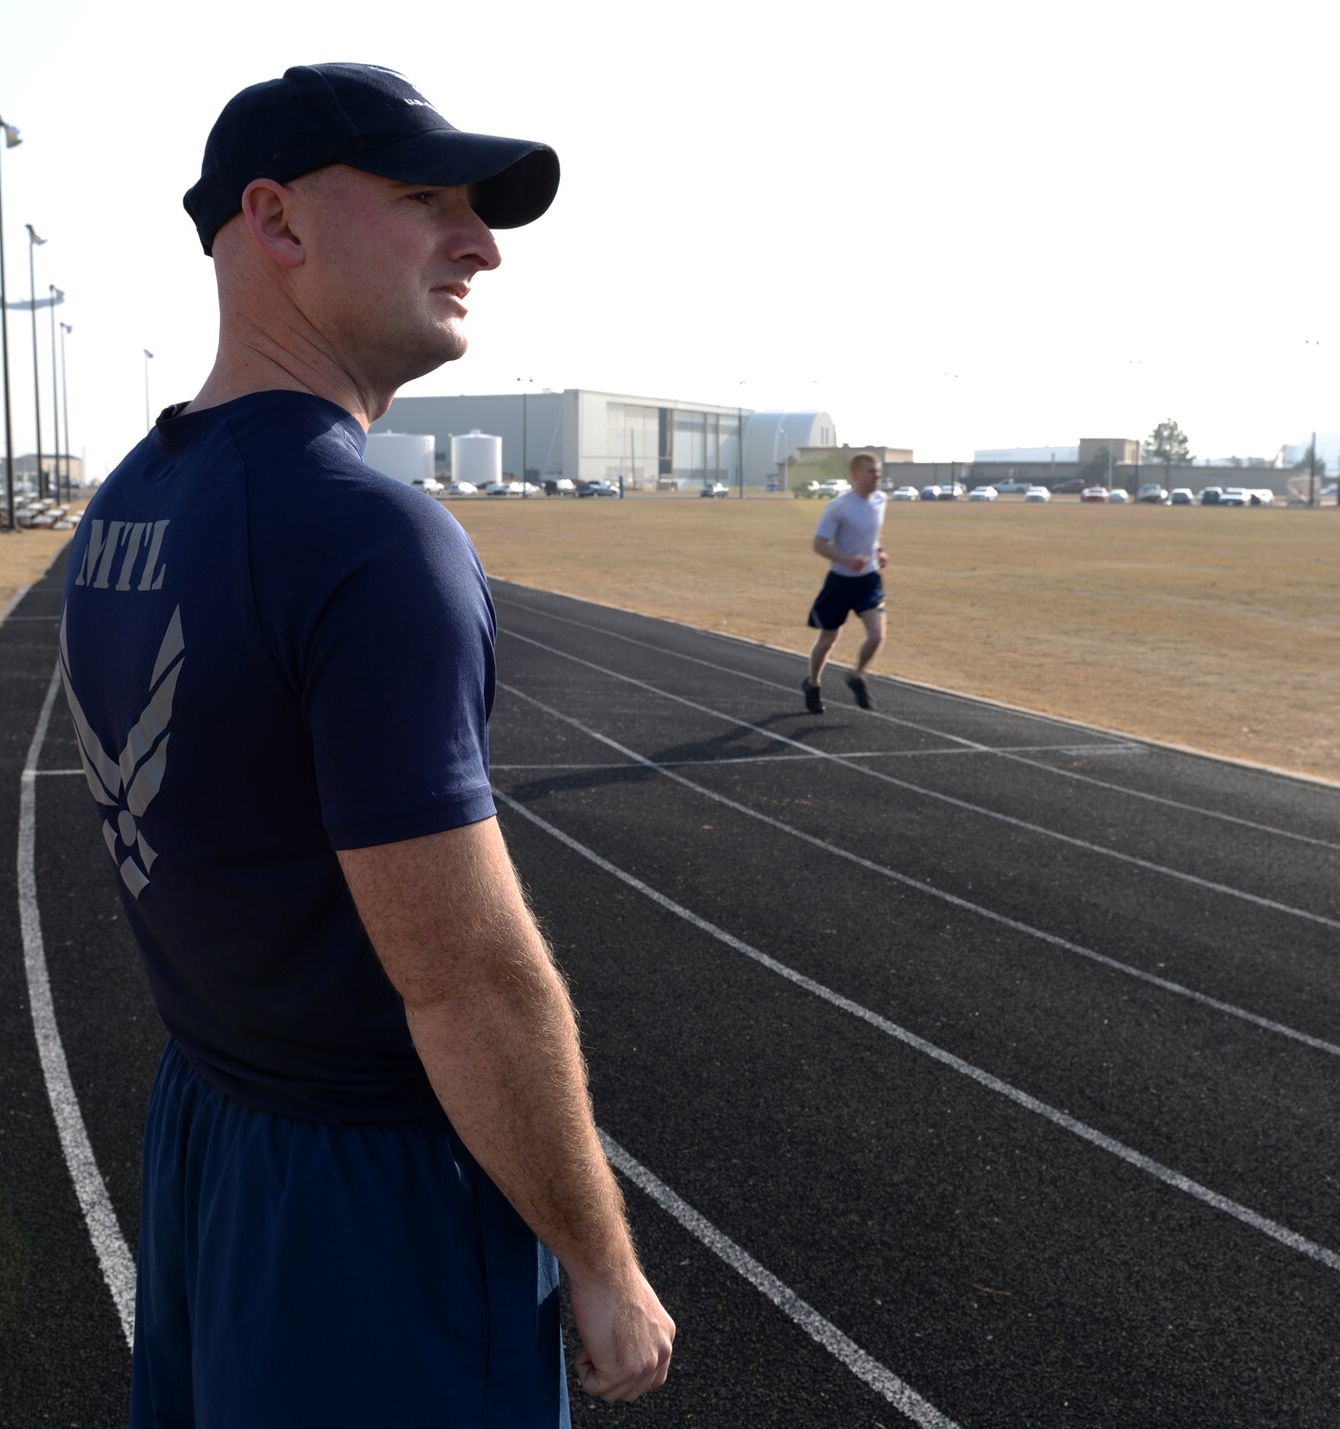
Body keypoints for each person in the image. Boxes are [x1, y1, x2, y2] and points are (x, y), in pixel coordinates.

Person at [58, 64, 671, 1425]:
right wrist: (602, 1258)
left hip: (210, 1140)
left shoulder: (125, 504)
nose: (481, 244)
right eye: (422, 199)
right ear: (275, 222)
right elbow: (468, 980)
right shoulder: (369, 538)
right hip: (376, 1203)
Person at [803, 453, 889, 713]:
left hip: (869, 580)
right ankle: (813, 683)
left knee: (877, 635)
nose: (877, 476)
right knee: (828, 638)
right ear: (856, 475)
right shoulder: (838, 506)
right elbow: (819, 544)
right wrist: (847, 559)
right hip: (841, 581)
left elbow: (870, 536)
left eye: (878, 471)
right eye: (871, 472)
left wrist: (878, 552)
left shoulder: (881, 500)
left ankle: (857, 676)